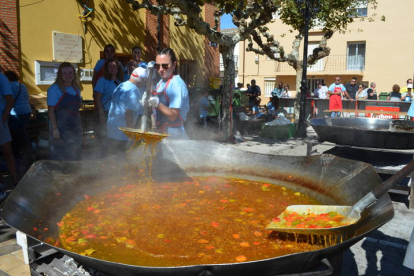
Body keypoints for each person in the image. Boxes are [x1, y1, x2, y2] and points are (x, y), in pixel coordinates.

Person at [146, 48, 190, 139]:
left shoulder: (177, 84)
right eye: (157, 66)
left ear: (174, 65)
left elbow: (173, 115)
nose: (161, 69)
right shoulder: (161, 82)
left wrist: (157, 104)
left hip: (174, 134)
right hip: (161, 131)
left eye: (165, 66)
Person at [106, 67, 148, 155]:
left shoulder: (122, 85)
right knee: (120, 162)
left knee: (110, 159)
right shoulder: (135, 91)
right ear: (141, 80)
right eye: (145, 80)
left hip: (111, 130)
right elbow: (129, 114)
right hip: (122, 134)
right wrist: (132, 136)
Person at [47, 62, 82, 161]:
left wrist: (80, 126)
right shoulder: (55, 89)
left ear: (74, 74)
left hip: (74, 127)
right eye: (65, 73)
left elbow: (77, 110)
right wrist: (55, 129)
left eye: (70, 72)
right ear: (60, 75)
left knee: (75, 153)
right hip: (60, 128)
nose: (68, 75)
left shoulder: (76, 89)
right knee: (61, 156)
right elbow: (51, 111)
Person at [93, 59, 124, 157]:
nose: (112, 68)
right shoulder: (102, 80)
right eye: (110, 66)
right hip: (107, 114)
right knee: (106, 140)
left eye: (114, 66)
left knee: (118, 140)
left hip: (119, 116)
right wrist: (101, 115)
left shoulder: (121, 81)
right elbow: (97, 98)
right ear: (106, 69)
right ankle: (105, 161)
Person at [4, 71, 32, 158]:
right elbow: (27, 98)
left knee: (14, 133)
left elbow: (9, 100)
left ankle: (17, 153)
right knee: (22, 130)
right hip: (27, 111)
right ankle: (27, 149)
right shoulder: (22, 85)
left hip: (16, 112)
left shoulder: (10, 86)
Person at [0, 71, 18, 194]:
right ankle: (1, 181)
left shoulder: (1, 78)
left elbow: (10, 100)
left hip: (0, 119)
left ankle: (16, 180)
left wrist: (3, 119)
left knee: (7, 152)